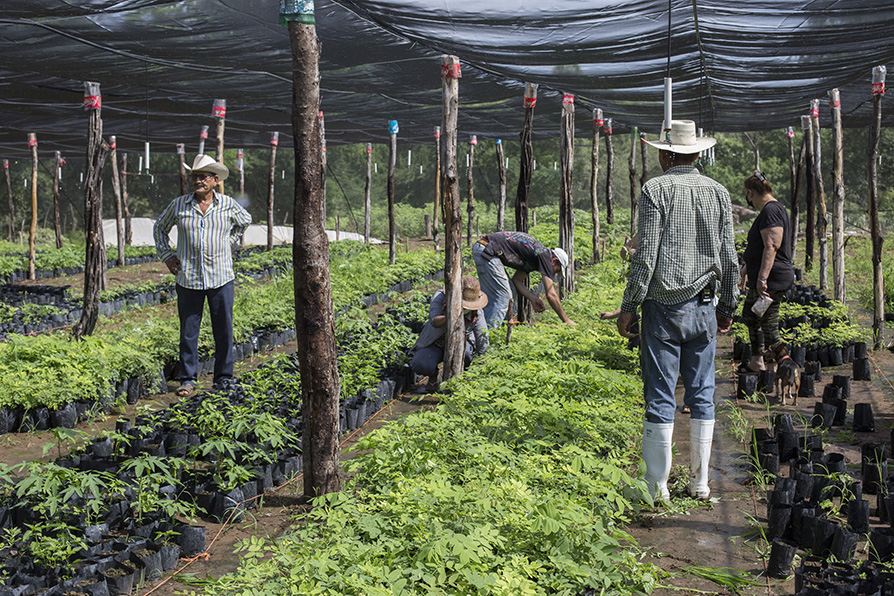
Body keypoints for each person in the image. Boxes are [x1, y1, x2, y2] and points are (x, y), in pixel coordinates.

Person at [617, 120, 738, 502]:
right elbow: (730, 258)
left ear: (666, 153)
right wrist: (729, 305)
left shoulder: (656, 189)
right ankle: (700, 484)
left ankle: (657, 488)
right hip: (704, 305)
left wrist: (628, 306)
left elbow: (646, 255)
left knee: (660, 394)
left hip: (662, 309)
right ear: (697, 153)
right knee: (702, 393)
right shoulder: (718, 192)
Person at [153, 154, 252, 397]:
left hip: (221, 277)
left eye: (202, 176)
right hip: (189, 278)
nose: (197, 181)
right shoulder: (179, 205)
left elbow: (245, 221)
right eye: (194, 176)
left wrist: (230, 242)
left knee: (224, 330)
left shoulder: (227, 204)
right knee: (188, 332)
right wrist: (167, 255)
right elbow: (159, 228)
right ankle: (188, 379)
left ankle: (223, 378)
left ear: (215, 180)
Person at [738, 171, 795, 374]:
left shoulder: (771, 211)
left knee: (768, 323)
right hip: (767, 277)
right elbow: (761, 248)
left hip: (772, 278)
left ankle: (785, 365)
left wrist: (762, 278)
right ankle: (761, 362)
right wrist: (747, 269)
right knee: (753, 315)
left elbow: (771, 245)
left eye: (748, 196)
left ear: (751, 192)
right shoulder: (772, 210)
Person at [472, 231, 575, 328]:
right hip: (486, 250)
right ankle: (489, 338)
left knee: (509, 293)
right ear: (555, 261)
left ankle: (494, 331)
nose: (554, 274)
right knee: (503, 296)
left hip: (485, 249)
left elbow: (517, 281)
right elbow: (551, 294)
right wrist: (566, 320)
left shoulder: (535, 258)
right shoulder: (545, 257)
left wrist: (533, 298)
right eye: (557, 271)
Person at [410, 275, 489, 392]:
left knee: (467, 354)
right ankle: (433, 378)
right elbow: (434, 321)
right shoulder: (440, 297)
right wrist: (450, 315)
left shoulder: (476, 312)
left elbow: (482, 336)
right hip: (435, 343)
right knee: (421, 363)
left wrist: (484, 361)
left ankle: (459, 378)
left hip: (461, 343)